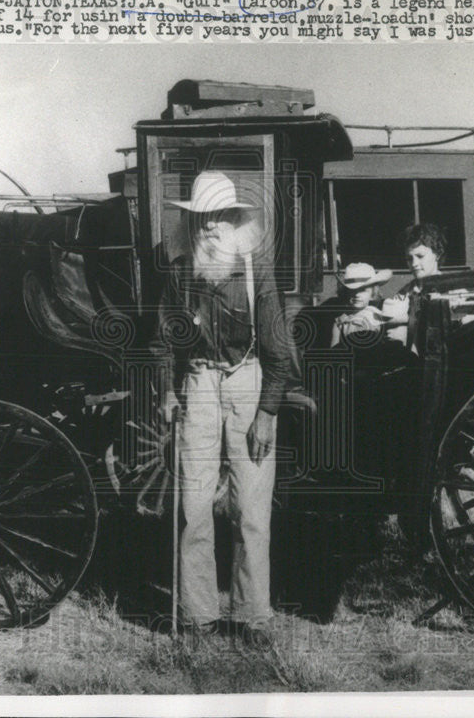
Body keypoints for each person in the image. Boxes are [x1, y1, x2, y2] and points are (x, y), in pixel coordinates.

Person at [151, 170, 290, 647]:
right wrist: (167, 391)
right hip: (198, 384)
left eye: (220, 217)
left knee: (251, 507)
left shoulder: (258, 271)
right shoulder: (179, 271)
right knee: (194, 506)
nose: (210, 226)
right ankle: (199, 616)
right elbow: (163, 343)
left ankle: (253, 617)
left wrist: (268, 412)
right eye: (203, 218)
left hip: (249, 383)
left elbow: (279, 350)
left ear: (236, 221)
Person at [380, 223, 447, 349]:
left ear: (437, 254)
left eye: (420, 256)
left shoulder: (453, 288)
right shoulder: (405, 293)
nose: (414, 264)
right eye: (409, 259)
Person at [329, 262, 392, 347]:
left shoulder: (375, 317)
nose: (357, 294)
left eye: (363, 290)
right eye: (352, 290)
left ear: (372, 293)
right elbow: (334, 350)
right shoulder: (340, 321)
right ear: (345, 292)